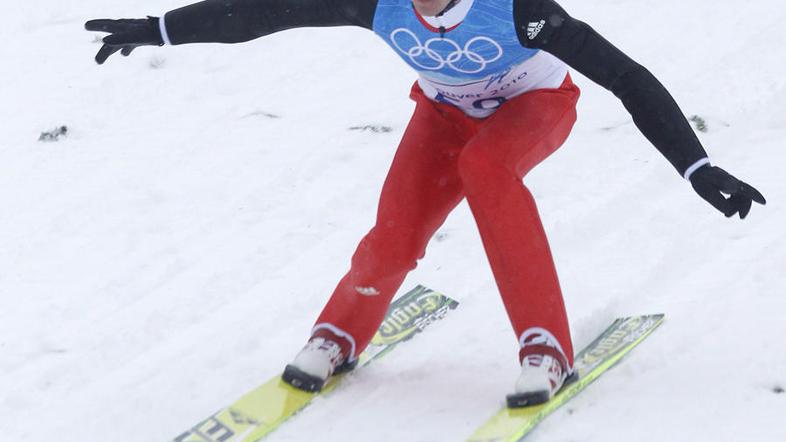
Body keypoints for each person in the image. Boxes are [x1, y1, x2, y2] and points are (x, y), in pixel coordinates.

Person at [86, 0, 766, 407]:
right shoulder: (376, 2)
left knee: (488, 170)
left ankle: (545, 346)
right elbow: (267, 10)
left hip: (534, 108)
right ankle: (340, 333)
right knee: (395, 230)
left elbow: (626, 77)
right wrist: (160, 28)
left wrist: (698, 166)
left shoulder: (522, 8)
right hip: (444, 114)